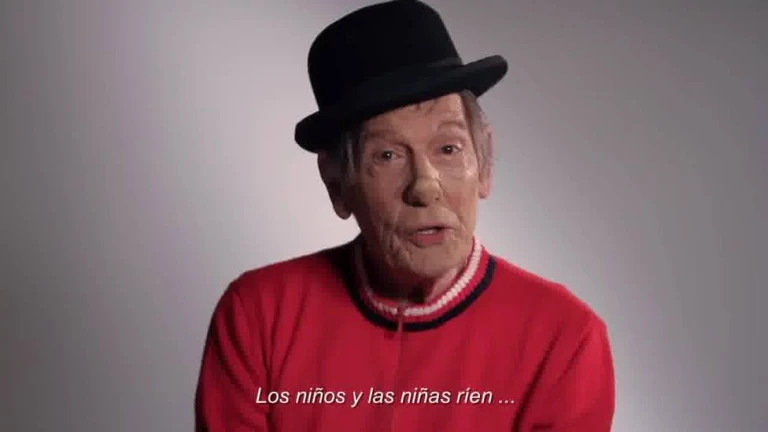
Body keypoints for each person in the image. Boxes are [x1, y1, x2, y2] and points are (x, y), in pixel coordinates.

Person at [194, 0, 615, 430]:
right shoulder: (259, 315)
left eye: (448, 148)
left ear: (484, 162)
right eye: (388, 156)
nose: (425, 187)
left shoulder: (565, 337)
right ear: (336, 183)